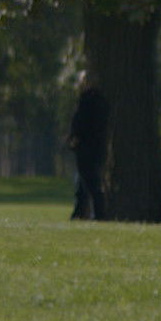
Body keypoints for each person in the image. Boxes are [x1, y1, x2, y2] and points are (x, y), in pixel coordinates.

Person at [67, 71, 109, 220]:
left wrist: (74, 138)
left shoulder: (87, 102)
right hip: (96, 148)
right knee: (83, 183)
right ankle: (79, 212)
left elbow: (81, 124)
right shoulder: (100, 101)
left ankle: (99, 214)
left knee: (91, 183)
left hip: (86, 148)